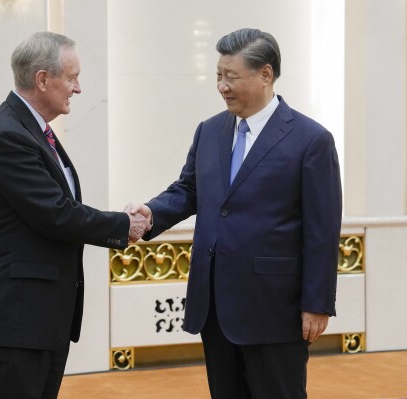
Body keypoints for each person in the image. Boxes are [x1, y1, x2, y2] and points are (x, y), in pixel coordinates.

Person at [129, 28, 342, 398]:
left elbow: (322, 230)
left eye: (231, 77)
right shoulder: (209, 131)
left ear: (266, 74)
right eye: (218, 76)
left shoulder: (311, 140)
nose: (222, 86)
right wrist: (151, 212)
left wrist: (317, 304)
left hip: (276, 308)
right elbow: (189, 189)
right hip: (215, 305)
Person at [0, 31, 149, 399]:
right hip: (17, 320)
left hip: (39, 319)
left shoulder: (31, 130)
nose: (78, 88)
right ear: (42, 79)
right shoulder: (9, 135)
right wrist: (123, 225)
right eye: (71, 77)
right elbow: (54, 214)